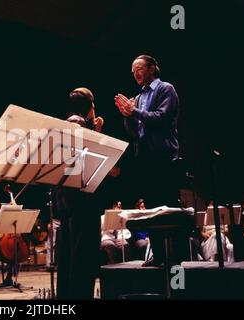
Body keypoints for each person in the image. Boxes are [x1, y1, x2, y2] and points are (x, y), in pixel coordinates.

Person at [114, 55, 189, 266]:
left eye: (138, 69)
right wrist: (128, 116)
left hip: (163, 157)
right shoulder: (137, 97)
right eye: (132, 71)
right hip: (145, 158)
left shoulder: (166, 89)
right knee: (151, 209)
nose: (135, 74)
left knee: (167, 206)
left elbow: (162, 119)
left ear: (152, 68)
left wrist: (134, 111)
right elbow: (134, 131)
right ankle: (159, 255)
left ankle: (176, 256)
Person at [56, 87, 104, 299]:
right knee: (82, 255)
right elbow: (88, 158)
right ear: (89, 107)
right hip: (83, 198)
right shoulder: (80, 123)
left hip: (65, 198)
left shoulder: (64, 123)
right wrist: (97, 132)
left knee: (68, 253)